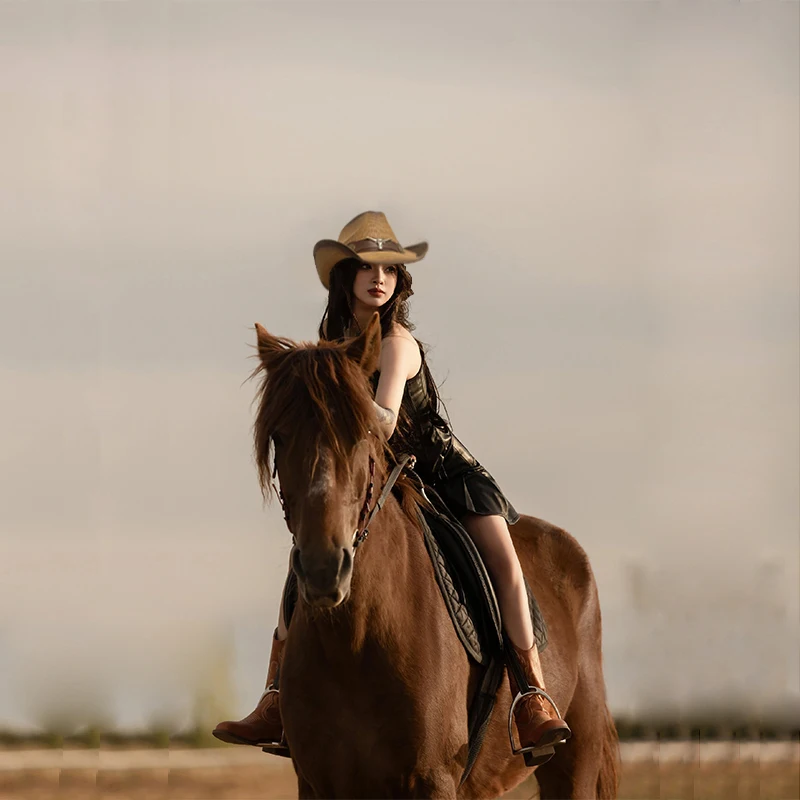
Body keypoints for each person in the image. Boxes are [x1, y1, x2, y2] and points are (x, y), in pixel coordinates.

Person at [213, 211, 571, 761]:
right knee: (302, 561)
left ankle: (531, 694)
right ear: (346, 277)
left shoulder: (397, 345)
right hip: (375, 479)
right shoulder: (332, 347)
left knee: (504, 562)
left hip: (442, 472)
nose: (378, 277)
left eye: (389, 268)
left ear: (399, 280)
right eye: (365, 267)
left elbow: (379, 421)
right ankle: (277, 695)